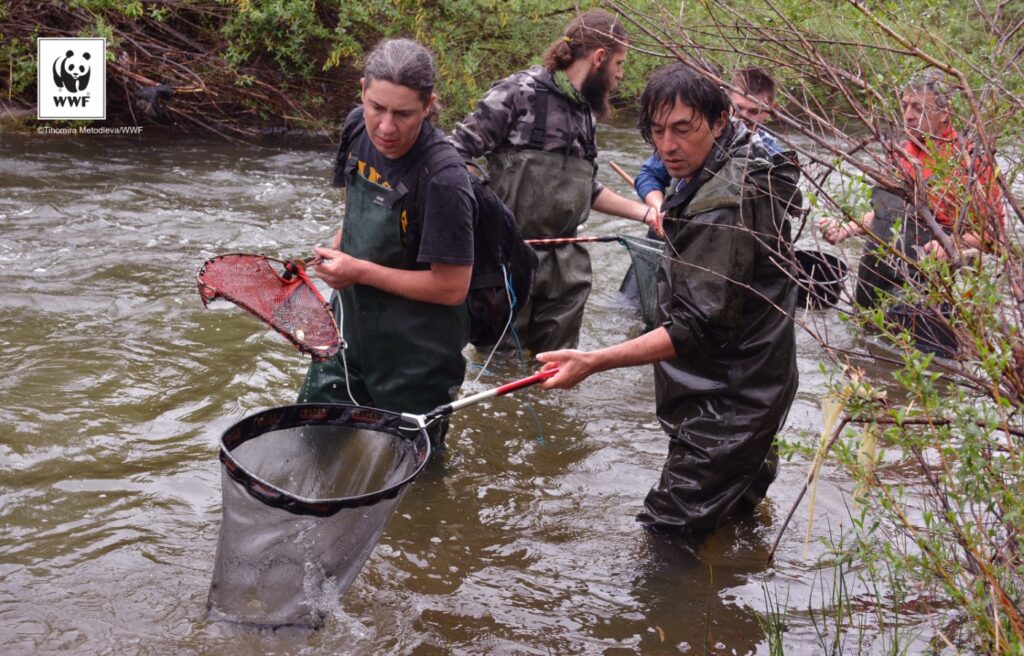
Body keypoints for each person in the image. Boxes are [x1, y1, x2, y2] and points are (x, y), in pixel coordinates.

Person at [538, 63, 802, 534]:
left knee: (665, 541)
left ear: (720, 120)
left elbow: (696, 328)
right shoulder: (740, 159)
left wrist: (594, 360)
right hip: (761, 381)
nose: (667, 147)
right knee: (735, 524)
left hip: (729, 408)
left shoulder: (724, 206)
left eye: (682, 130)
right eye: (657, 131)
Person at [297, 38, 476, 448]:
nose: (386, 127)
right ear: (362, 91)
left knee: (411, 478)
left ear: (428, 105)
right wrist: (335, 253)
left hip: (417, 357)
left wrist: (357, 270)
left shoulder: (445, 179)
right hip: (348, 335)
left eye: (404, 113)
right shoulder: (357, 127)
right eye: (377, 107)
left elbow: (452, 288)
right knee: (309, 442)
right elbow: (353, 206)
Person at [448, 9, 661, 354]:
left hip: (566, 268)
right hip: (508, 263)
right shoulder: (517, 92)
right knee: (500, 368)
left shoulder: (586, 114)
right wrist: (487, 220)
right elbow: (454, 156)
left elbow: (586, 190)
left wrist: (646, 214)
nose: (621, 75)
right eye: (620, 63)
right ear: (599, 57)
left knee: (559, 372)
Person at [819, 68, 1005, 307]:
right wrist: (848, 227)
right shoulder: (900, 153)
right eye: (905, 105)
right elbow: (888, 220)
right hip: (875, 279)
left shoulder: (970, 160)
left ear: (944, 113)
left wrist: (952, 246)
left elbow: (994, 236)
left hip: (933, 288)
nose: (907, 115)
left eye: (918, 108)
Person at [633, 66, 785, 212]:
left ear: (769, 110)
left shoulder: (773, 157)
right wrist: (659, 208)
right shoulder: (703, 137)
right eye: (738, 107)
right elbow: (648, 176)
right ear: (728, 101)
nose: (743, 116)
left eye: (753, 111)